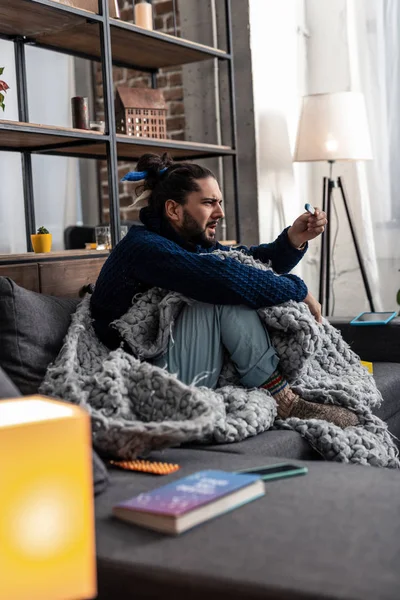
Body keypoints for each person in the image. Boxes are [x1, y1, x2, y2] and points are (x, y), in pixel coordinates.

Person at [90, 153, 358, 428]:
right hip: (147, 383)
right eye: (208, 203)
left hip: (176, 363)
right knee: (217, 292)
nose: (219, 212)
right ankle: (284, 401)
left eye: (219, 202)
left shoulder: (187, 242)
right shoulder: (144, 247)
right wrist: (298, 290)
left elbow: (245, 259)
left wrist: (294, 239)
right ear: (173, 210)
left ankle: (279, 391)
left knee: (226, 276)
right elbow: (223, 278)